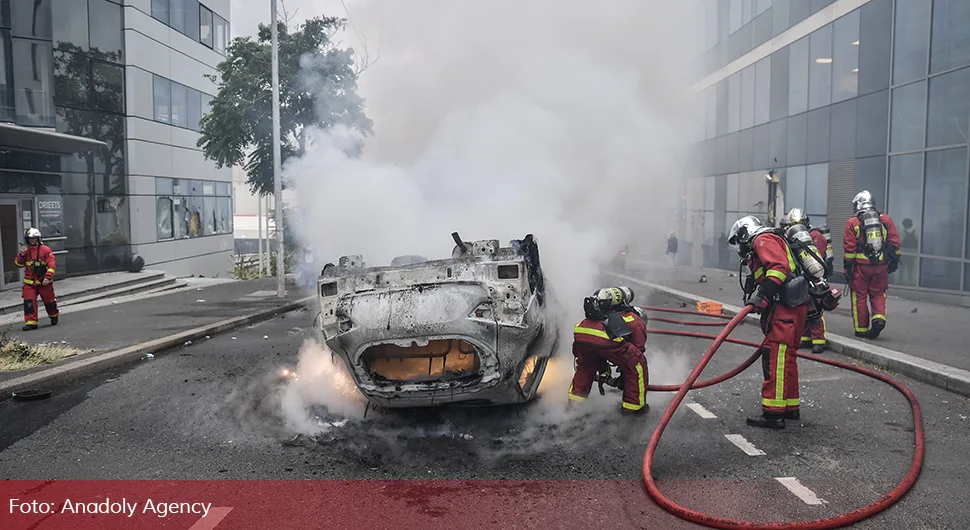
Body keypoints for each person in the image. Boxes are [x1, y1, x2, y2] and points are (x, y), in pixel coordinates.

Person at [728, 215, 808, 429]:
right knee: (787, 356)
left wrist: (762, 297)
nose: (741, 249)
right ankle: (790, 407)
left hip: (785, 307)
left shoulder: (761, 240)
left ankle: (773, 413)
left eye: (739, 242)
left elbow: (778, 268)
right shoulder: (770, 239)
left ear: (745, 233)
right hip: (795, 305)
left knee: (776, 356)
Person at [568, 286, 649, 414]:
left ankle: (574, 403)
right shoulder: (636, 320)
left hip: (581, 333)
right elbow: (637, 350)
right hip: (602, 339)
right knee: (637, 364)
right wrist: (624, 370)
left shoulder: (603, 312)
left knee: (586, 366)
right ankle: (633, 407)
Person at [843, 191, 901, 339]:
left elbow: (849, 249)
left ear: (858, 204)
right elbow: (895, 242)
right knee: (878, 293)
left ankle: (861, 329)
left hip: (860, 267)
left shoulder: (852, 222)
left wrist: (847, 268)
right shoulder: (886, 220)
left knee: (859, 297)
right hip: (881, 266)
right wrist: (894, 262)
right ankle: (879, 319)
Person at [783, 208, 829, 354]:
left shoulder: (814, 235)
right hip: (801, 276)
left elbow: (818, 256)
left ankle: (819, 340)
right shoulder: (795, 237)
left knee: (815, 309)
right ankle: (806, 337)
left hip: (813, 275)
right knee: (803, 307)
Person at [14, 227, 59, 331]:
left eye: (34, 238)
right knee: (29, 302)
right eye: (30, 238)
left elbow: (51, 266)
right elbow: (18, 264)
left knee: (49, 301)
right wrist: (21, 255)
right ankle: (31, 323)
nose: (32, 240)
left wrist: (47, 278)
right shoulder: (25, 251)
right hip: (29, 283)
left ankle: (53, 315)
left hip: (44, 283)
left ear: (38, 238)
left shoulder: (46, 250)